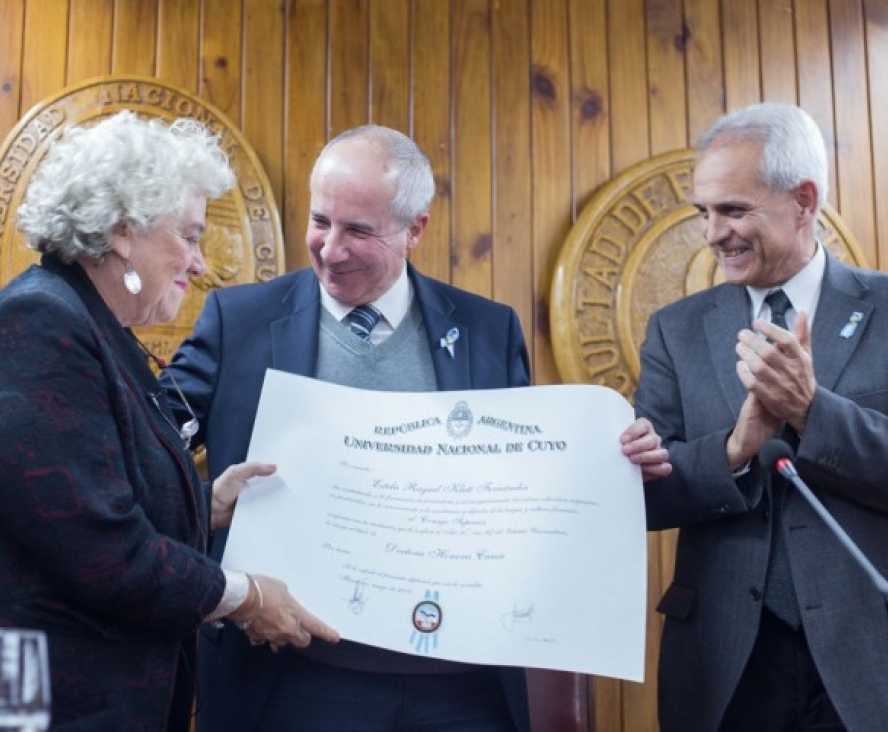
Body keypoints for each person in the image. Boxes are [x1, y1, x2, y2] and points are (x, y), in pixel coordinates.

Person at [166, 123, 668, 732]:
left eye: (358, 230)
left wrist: (613, 460)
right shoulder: (238, 319)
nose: (330, 248)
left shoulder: (490, 331)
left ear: (415, 229)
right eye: (321, 221)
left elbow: (526, 480)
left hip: (460, 682)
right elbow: (144, 447)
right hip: (292, 675)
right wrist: (205, 505)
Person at [0, 111, 337, 732]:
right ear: (124, 231)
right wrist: (246, 596)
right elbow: (101, 551)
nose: (198, 262)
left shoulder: (94, 328)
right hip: (14, 705)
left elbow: (89, 498)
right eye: (188, 236)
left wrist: (208, 504)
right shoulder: (39, 327)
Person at [624, 101, 888, 731]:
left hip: (875, 655)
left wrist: (813, 412)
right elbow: (641, 496)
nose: (713, 233)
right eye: (703, 212)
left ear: (804, 200)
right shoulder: (676, 331)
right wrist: (733, 450)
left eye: (733, 210)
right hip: (727, 663)